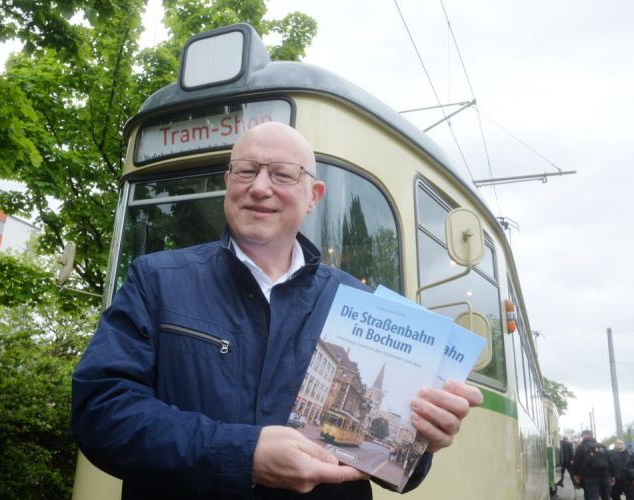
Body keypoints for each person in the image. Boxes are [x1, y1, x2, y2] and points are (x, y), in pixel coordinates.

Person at [71, 122, 484, 499]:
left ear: (313, 197)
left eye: (283, 174)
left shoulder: (359, 303)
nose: (259, 187)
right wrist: (243, 454)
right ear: (228, 182)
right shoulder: (156, 280)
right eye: (246, 171)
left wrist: (423, 441)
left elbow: (397, 475)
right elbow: (100, 413)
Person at [574, 430, 614, 500]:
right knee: (606, 497)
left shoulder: (580, 447)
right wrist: (612, 475)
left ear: (583, 437)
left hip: (589, 477)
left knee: (592, 497)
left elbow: (576, 463)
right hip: (605, 476)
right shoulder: (602, 446)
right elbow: (609, 461)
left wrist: (576, 475)